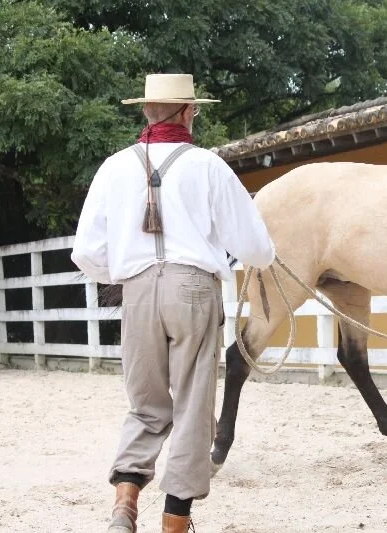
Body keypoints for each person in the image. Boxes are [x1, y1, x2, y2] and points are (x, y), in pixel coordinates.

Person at [70, 73, 276, 533]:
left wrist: (125, 274)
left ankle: (125, 503)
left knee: (145, 403)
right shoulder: (208, 166)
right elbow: (257, 249)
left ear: (146, 110)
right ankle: (175, 521)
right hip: (193, 291)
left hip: (138, 290)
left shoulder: (113, 167)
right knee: (193, 405)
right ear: (188, 112)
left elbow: (84, 252)